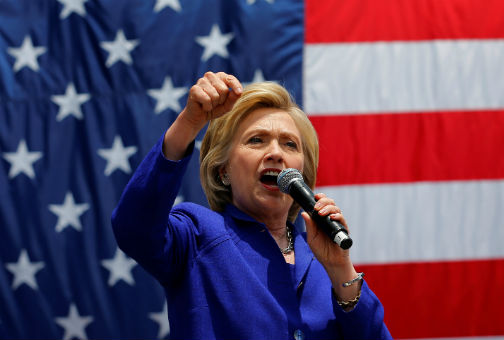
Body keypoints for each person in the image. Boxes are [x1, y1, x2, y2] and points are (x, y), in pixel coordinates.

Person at [111, 71, 392, 339]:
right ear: (223, 171)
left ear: (302, 174)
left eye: (290, 144)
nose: (275, 153)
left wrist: (341, 270)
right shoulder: (195, 235)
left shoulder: (323, 260)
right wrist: (190, 122)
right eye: (256, 140)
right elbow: (133, 228)